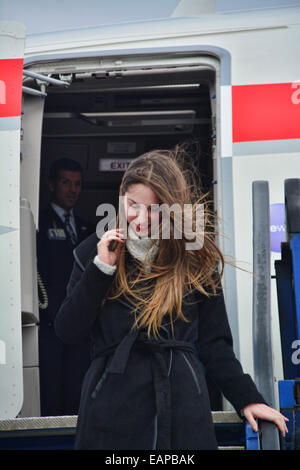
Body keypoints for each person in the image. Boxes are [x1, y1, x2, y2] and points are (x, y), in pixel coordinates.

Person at [55, 147, 288, 449]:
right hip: (113, 404)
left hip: (182, 404)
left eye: (154, 209)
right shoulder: (93, 252)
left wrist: (248, 399)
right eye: (133, 205)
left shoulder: (195, 259)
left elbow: (215, 344)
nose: (141, 218)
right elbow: (67, 330)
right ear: (122, 198)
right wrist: (101, 270)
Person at [37, 158, 94, 416]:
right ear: (51, 185)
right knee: (51, 395)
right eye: (65, 183)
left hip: (81, 328)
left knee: (78, 393)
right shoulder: (38, 224)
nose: (73, 190)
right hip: (49, 326)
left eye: (78, 184)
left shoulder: (88, 229)